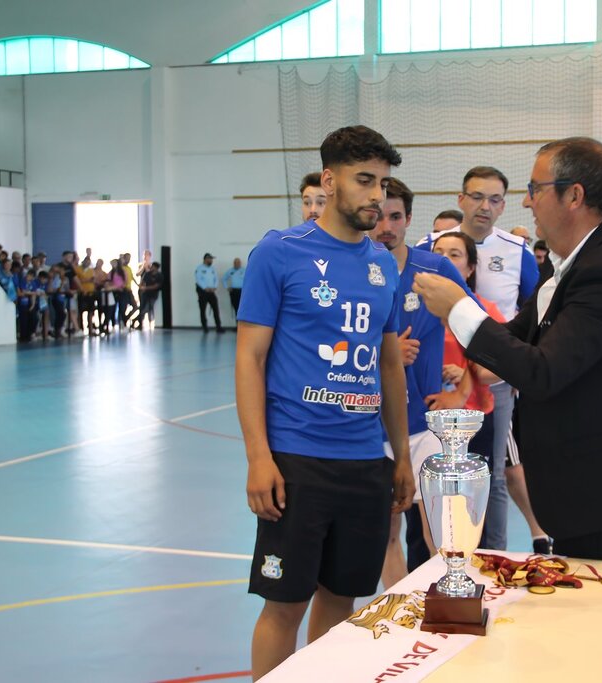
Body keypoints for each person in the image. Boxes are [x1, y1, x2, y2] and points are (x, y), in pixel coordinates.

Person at [413, 136, 602, 561]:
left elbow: (543, 371)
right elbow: (514, 337)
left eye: (535, 189)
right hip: (578, 478)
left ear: (574, 195)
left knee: (589, 610)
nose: (527, 204)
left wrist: (459, 308)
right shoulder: (573, 263)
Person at [235, 125, 413, 680]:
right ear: (329, 181)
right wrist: (258, 457)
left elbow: (388, 365)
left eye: (383, 184)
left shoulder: (383, 265)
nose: (376, 197)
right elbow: (250, 359)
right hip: (297, 459)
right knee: (285, 604)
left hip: (364, 460)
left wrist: (401, 454)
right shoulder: (278, 253)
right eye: (364, 181)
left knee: (342, 604)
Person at [417, 165, 540, 551]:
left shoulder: (518, 253)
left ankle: (493, 553)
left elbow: (533, 313)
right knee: (430, 471)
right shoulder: (428, 245)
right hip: (436, 380)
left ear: (504, 205)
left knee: (496, 471)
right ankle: (430, 556)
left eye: (495, 199)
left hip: (493, 379)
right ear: (461, 200)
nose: (484, 206)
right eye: (476, 197)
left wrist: (515, 369)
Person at [368, 177, 475, 585]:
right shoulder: (353, 270)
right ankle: (398, 614)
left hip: (426, 426)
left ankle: (445, 608)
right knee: (386, 535)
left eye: (396, 216)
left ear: (409, 219)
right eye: (379, 216)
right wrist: (389, 354)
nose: (386, 226)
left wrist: (463, 390)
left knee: (440, 532)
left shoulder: (434, 268)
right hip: (370, 429)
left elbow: (475, 326)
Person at [195, 252, 224, 333]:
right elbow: (198, 279)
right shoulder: (199, 268)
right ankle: (205, 327)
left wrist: (215, 287)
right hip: (202, 292)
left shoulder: (212, 269)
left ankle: (218, 327)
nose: (211, 260)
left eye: (212, 259)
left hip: (211, 291)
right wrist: (205, 288)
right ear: (205, 259)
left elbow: (216, 278)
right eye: (210, 259)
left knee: (216, 309)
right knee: (203, 310)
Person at [135, 262, 163, 329]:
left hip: (153, 294)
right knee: (142, 308)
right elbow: (142, 282)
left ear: (156, 268)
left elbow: (156, 286)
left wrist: (146, 288)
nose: (151, 267)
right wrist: (142, 287)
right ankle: (140, 324)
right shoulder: (147, 274)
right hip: (145, 294)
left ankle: (135, 319)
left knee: (147, 308)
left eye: (153, 266)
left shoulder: (159, 275)